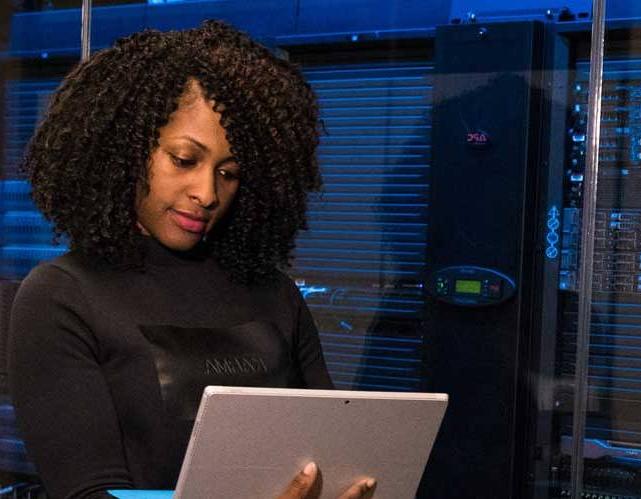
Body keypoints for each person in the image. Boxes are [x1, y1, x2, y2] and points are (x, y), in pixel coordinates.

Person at [8, 20, 376, 499]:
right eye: (184, 159)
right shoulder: (62, 296)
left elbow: (327, 456)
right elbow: (87, 492)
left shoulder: (273, 294)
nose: (206, 193)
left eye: (230, 172)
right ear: (126, 148)